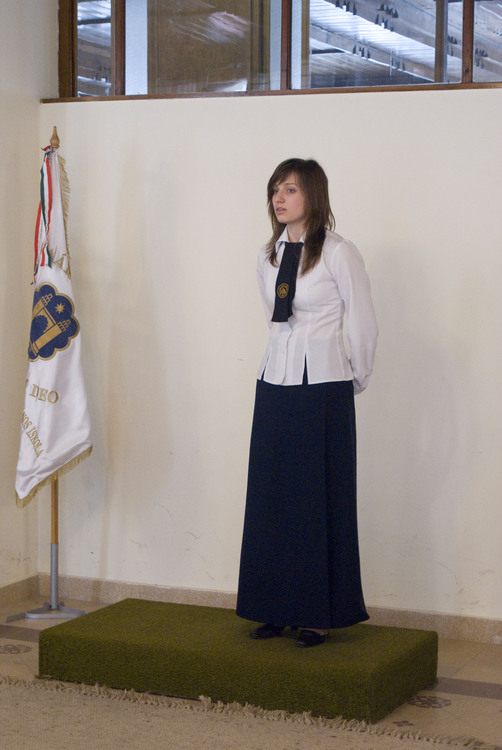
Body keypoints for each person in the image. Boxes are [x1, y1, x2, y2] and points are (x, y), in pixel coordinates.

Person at [236, 158, 378, 648]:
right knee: (271, 495)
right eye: (275, 189)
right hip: (275, 382)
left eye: (291, 189)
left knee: (317, 499)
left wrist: (356, 376)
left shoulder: (338, 252)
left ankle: (318, 614)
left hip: (323, 386)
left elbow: (362, 319)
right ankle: (272, 608)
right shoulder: (268, 255)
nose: (279, 197)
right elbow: (274, 317)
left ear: (312, 195)